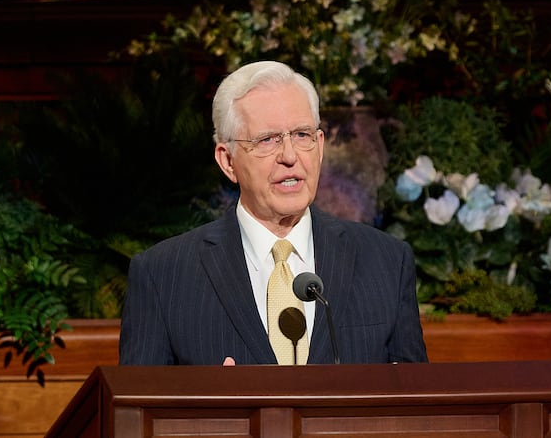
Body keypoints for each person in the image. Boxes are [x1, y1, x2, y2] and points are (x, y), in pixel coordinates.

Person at [119, 60, 427, 365]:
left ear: (320, 147)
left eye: (302, 135)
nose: (290, 156)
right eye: (267, 140)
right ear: (228, 161)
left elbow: (416, 405)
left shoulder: (387, 262)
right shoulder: (163, 276)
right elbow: (137, 411)